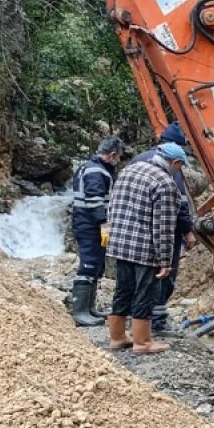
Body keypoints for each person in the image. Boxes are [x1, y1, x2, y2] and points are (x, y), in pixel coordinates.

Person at [105, 142, 184, 354]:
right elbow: (164, 227)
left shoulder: (129, 170)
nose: (179, 171)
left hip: (120, 243)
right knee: (144, 293)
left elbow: (111, 206)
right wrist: (165, 261)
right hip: (144, 247)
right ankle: (142, 342)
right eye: (180, 166)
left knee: (123, 289)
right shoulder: (165, 183)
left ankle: (117, 337)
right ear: (175, 162)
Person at [132, 122, 195, 333]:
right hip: (165, 230)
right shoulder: (170, 168)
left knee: (139, 277)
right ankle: (156, 322)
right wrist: (187, 230)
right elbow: (180, 204)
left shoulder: (137, 160)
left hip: (136, 230)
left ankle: (137, 320)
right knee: (163, 275)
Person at [69, 136, 125, 327]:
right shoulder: (96, 171)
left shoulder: (91, 167)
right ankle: (80, 311)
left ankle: (89, 308)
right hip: (91, 225)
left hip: (89, 223)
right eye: (118, 157)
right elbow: (94, 200)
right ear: (112, 155)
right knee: (90, 264)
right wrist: (104, 224)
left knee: (97, 263)